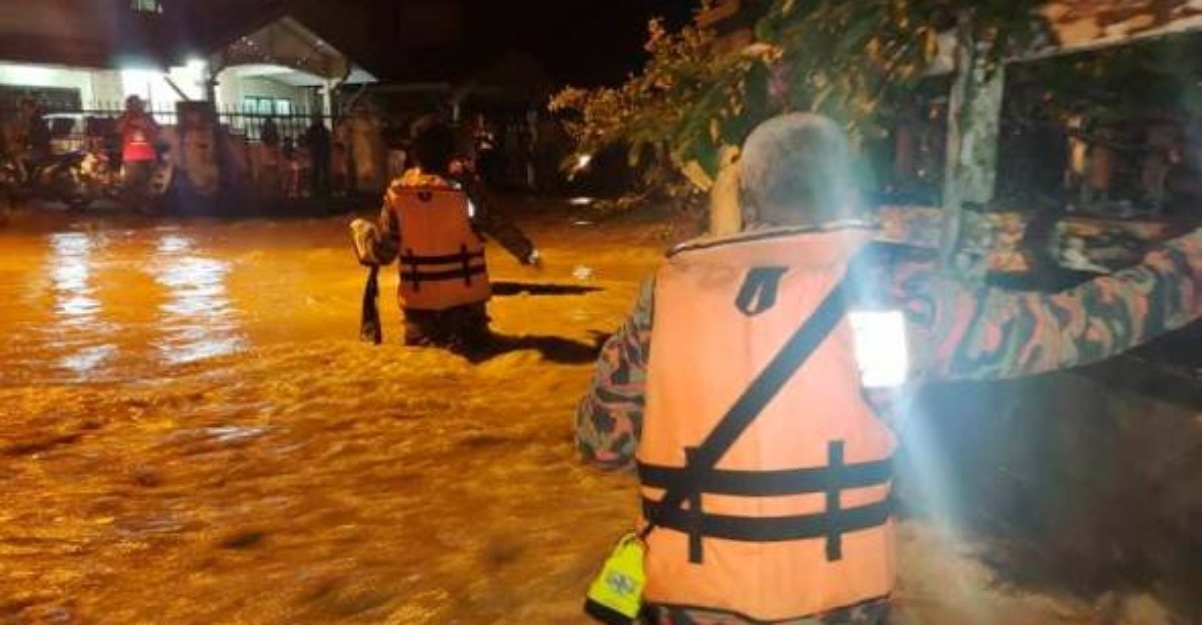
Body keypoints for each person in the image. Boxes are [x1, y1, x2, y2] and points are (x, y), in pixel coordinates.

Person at [575, 113, 1202, 625]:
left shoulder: (670, 295)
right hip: (835, 604)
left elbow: (601, 444)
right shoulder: (893, 294)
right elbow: (1070, 326)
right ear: (848, 189)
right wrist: (1190, 267)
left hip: (690, 602)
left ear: (746, 194)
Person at [350, 121, 541, 353]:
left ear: (414, 154)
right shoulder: (466, 192)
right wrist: (527, 252)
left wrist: (361, 233)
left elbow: (383, 253)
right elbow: (496, 224)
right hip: (468, 314)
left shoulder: (397, 195)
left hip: (420, 316)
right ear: (451, 154)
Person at [115, 95, 160, 212]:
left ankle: (146, 207)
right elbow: (118, 130)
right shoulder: (124, 117)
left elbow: (156, 131)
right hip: (132, 156)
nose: (136, 106)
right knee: (131, 184)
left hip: (148, 155)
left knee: (147, 183)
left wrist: (144, 124)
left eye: (137, 104)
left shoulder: (147, 117)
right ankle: (132, 208)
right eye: (132, 104)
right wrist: (128, 117)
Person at [304, 115, 331, 198]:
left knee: (324, 170)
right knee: (315, 170)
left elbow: (328, 140)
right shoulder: (312, 130)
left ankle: (324, 188)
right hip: (315, 152)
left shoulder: (323, 130)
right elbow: (307, 141)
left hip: (322, 152)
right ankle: (315, 189)